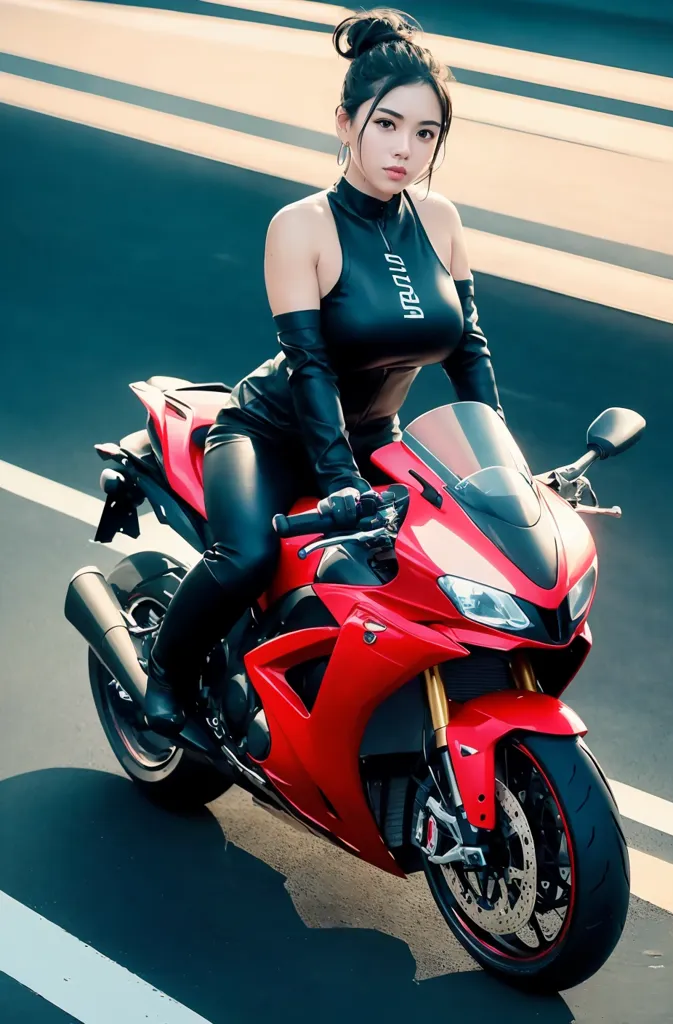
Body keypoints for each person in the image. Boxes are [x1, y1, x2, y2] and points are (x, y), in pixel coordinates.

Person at [143, 7, 505, 735]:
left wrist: (506, 473)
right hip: (269, 433)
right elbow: (309, 370)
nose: (406, 148)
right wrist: (340, 482)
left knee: (451, 566)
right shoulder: (300, 226)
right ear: (346, 123)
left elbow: (470, 353)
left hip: (376, 434)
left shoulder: (443, 222)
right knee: (244, 558)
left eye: (426, 133)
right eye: (387, 124)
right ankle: (167, 676)